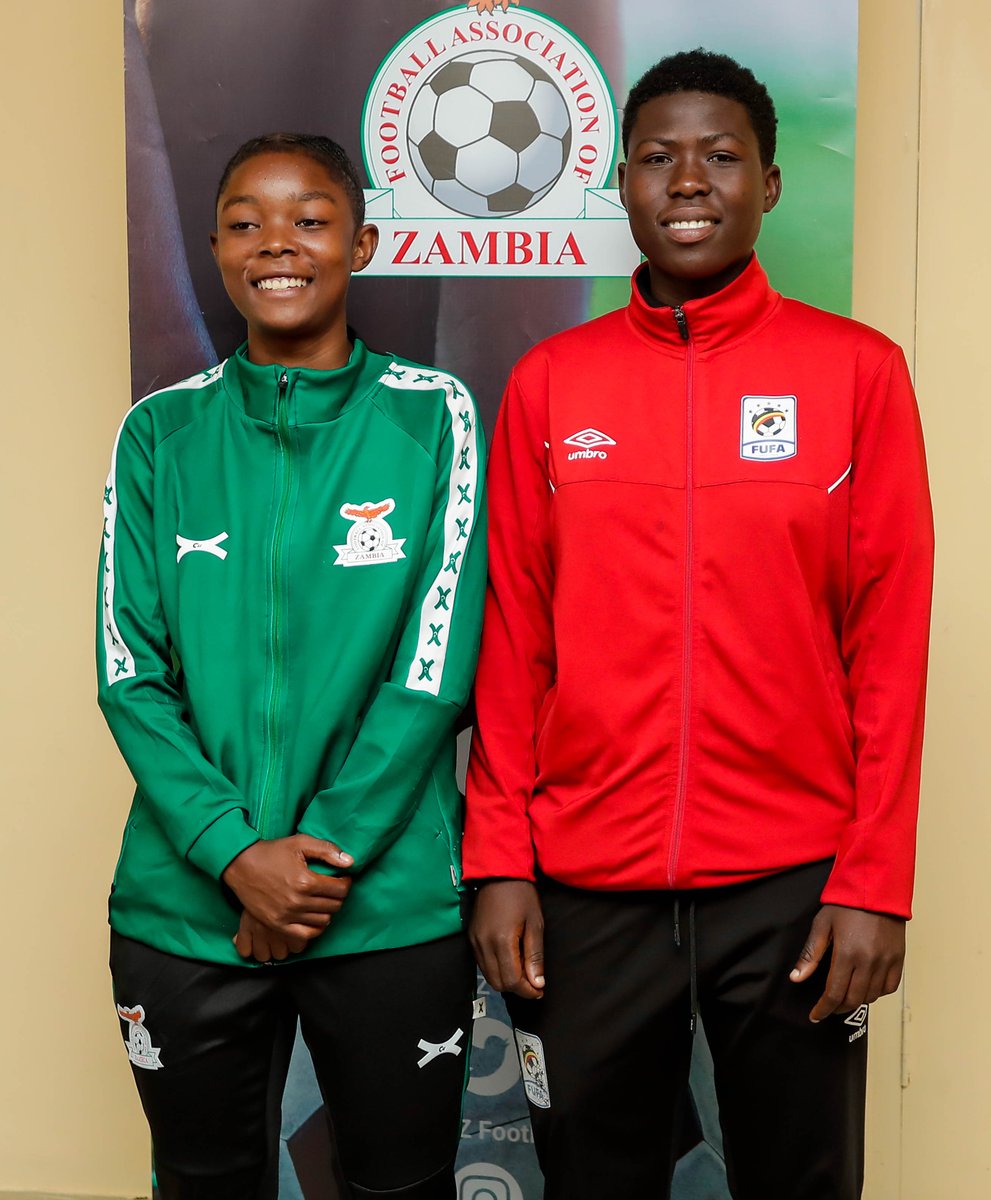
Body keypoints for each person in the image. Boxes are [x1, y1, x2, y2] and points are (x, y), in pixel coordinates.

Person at [464, 49, 933, 1200]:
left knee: (798, 1176)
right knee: (592, 1177)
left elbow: (889, 640)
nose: (689, 181)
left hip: (793, 883)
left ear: (768, 184)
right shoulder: (549, 383)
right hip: (585, 882)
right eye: (659, 157)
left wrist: (873, 878)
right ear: (619, 182)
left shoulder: (857, 372)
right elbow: (514, 638)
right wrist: (500, 861)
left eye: (721, 156)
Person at [98, 132, 486, 1200]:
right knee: (202, 1182)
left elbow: (439, 663)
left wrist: (313, 863)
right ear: (216, 248)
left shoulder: (431, 415)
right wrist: (234, 855)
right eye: (243, 221)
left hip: (384, 906)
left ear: (359, 242)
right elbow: (128, 670)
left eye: (310, 219)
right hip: (187, 911)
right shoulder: (159, 436)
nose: (277, 243)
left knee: (398, 1188)